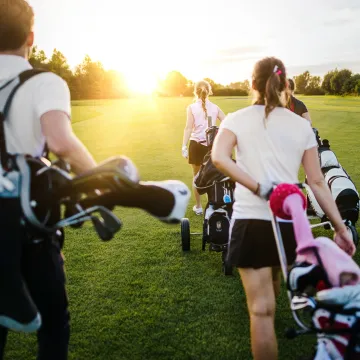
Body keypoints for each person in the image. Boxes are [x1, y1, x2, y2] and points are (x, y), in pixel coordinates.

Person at [0, 1, 190, 359]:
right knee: (54, 326)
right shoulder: (42, 82)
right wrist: (102, 185)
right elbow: (59, 141)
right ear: (31, 37)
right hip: (30, 227)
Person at [211, 56, 355, 360]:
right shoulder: (301, 125)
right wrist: (341, 228)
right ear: (285, 84)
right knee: (273, 291)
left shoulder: (234, 118)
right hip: (290, 224)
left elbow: (219, 158)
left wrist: (256, 187)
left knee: (261, 311)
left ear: (252, 84)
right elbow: (317, 182)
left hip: (251, 224)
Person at [182, 80, 225, 215]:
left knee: (197, 176)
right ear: (209, 91)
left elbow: (188, 128)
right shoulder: (215, 107)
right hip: (211, 147)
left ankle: (199, 207)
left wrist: (183, 146)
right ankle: (211, 206)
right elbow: (226, 122)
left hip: (195, 145)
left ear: (195, 91)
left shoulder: (191, 107)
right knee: (212, 177)